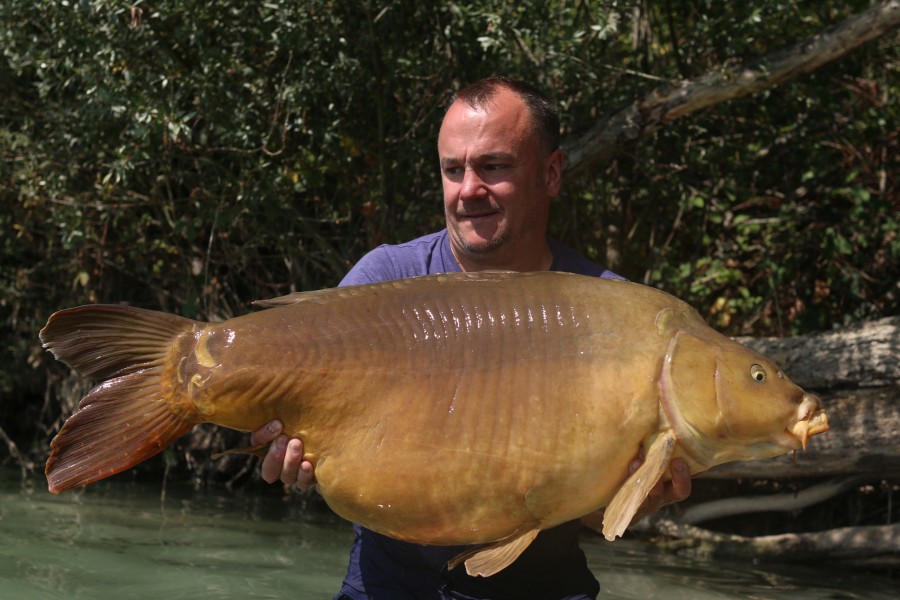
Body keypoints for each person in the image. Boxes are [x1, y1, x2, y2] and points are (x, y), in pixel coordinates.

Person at [250, 76, 692, 599]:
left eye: (494, 166)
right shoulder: (384, 278)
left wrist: (633, 498)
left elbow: (595, 513)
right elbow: (299, 423)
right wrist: (288, 454)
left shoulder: (619, 317)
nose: (468, 190)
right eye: (452, 169)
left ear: (551, 173)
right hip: (385, 582)